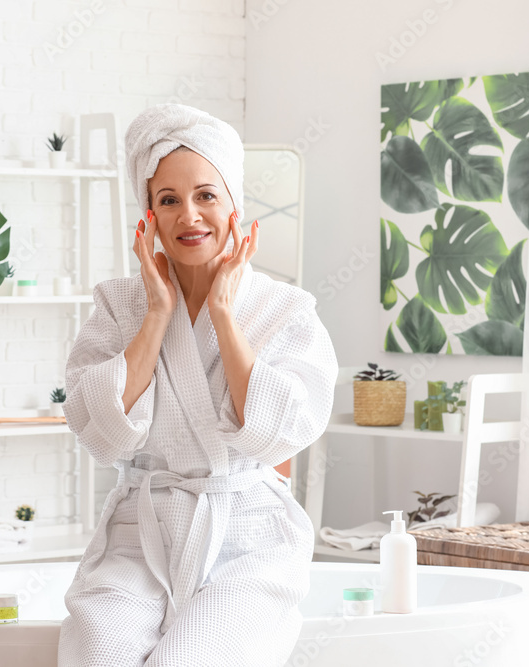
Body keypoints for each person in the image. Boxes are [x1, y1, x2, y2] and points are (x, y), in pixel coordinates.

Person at [57, 103, 338, 667]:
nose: (190, 215)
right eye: (169, 200)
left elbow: (279, 436)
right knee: (96, 657)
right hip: (141, 533)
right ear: (149, 217)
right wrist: (157, 312)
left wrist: (225, 313)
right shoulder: (120, 304)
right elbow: (100, 432)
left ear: (235, 204)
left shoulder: (285, 309)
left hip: (247, 536)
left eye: (207, 195)